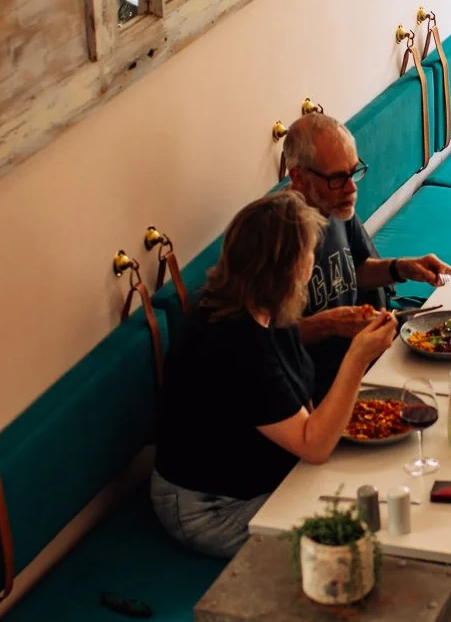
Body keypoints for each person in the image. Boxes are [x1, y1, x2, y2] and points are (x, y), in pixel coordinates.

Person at [151, 192, 397, 558]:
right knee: (363, 540)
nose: (313, 263)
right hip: (211, 507)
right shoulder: (233, 341)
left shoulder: (266, 306)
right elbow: (313, 446)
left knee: (385, 493)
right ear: (286, 267)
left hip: (270, 479)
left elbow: (300, 404)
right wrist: (358, 357)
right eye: (308, 254)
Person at [282, 113, 451, 391]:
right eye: (337, 178)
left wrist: (402, 268)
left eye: (353, 171)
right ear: (298, 177)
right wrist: (327, 325)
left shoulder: (336, 204)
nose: (351, 188)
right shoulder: (273, 234)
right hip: (322, 384)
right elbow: (260, 340)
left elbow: (355, 270)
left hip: (371, 358)